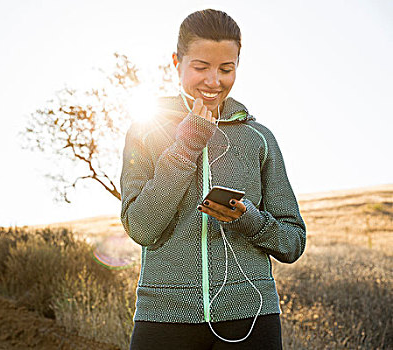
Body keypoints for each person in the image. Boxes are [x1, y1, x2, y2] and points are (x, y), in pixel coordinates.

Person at [119, 9, 306, 350]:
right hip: (164, 316)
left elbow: (294, 242)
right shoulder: (145, 131)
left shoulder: (258, 138)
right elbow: (142, 227)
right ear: (177, 62)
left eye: (226, 69)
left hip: (251, 315)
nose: (213, 81)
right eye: (200, 67)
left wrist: (250, 220)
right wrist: (187, 144)